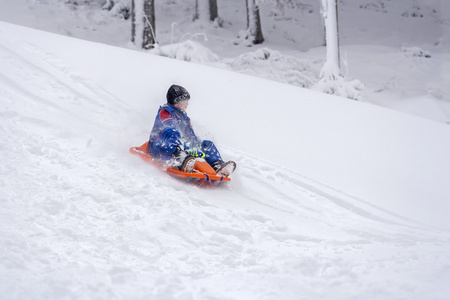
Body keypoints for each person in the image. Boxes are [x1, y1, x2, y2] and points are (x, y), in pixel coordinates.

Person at [148, 84, 236, 177]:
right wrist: (186, 146)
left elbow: (191, 136)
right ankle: (180, 159)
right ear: (177, 101)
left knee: (206, 144)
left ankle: (217, 165)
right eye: (185, 101)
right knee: (173, 132)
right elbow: (169, 129)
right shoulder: (165, 112)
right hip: (160, 146)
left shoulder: (185, 119)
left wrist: (197, 148)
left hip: (183, 148)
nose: (187, 103)